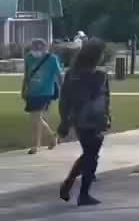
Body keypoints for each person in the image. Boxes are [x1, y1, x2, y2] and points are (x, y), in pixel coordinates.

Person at [56, 39, 111, 206]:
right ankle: (82, 194)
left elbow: (64, 100)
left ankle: (69, 185)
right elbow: (104, 99)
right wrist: (106, 116)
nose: (103, 56)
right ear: (95, 56)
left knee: (89, 154)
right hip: (91, 119)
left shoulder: (72, 74)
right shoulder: (99, 76)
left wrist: (64, 120)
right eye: (101, 53)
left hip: (79, 119)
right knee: (91, 156)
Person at [21, 38, 61, 155]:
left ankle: (35, 145)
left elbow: (59, 75)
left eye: (39, 48)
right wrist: (23, 89)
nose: (36, 50)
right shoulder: (29, 58)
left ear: (44, 48)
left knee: (36, 117)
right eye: (34, 47)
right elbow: (26, 74)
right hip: (32, 92)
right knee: (35, 118)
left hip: (45, 92)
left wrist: (63, 89)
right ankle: (52, 135)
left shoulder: (52, 59)